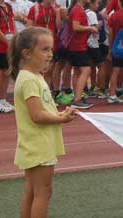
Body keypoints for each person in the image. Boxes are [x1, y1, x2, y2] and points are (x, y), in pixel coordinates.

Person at [10, 27, 77, 218]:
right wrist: (61, 119)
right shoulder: (30, 80)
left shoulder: (35, 77)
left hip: (37, 142)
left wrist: (61, 112)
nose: (50, 55)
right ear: (27, 54)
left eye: (51, 50)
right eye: (45, 49)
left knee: (33, 191)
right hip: (38, 144)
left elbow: (44, 108)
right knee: (43, 193)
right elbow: (37, 115)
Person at [67, 0, 97, 109]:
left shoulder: (77, 9)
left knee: (78, 72)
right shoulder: (78, 10)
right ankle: (77, 99)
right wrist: (90, 28)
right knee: (86, 70)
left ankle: (77, 96)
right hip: (78, 45)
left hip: (77, 44)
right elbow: (76, 26)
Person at [27, 0, 61, 89]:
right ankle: (37, 91)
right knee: (38, 69)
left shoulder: (55, 9)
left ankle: (47, 94)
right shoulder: (35, 8)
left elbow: (58, 27)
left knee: (49, 69)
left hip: (52, 42)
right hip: (38, 43)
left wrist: (58, 13)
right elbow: (29, 27)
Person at [86, 0, 105, 97]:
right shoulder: (92, 14)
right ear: (91, 3)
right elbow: (94, 29)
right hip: (93, 43)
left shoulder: (85, 12)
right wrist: (99, 25)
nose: (98, 6)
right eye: (97, 3)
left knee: (92, 66)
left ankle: (92, 87)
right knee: (101, 65)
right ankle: (100, 87)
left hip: (87, 43)